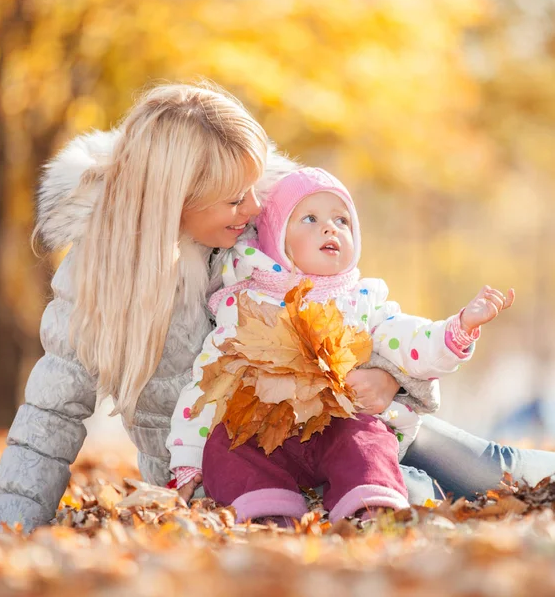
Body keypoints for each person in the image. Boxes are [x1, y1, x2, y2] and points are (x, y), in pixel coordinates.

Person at [0, 82, 555, 533]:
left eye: (255, 190)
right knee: (420, 492)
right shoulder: (99, 280)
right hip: (232, 466)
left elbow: (357, 312)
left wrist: (390, 374)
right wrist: (12, 520)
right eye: (235, 197)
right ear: (176, 199)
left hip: (341, 420)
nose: (252, 206)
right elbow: (50, 416)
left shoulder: (261, 232)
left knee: (489, 465)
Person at [166, 167, 514, 523]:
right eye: (311, 218)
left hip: (339, 423)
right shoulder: (244, 306)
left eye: (342, 220)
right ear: (276, 238)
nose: (330, 228)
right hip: (266, 430)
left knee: (366, 439)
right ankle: (266, 511)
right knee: (228, 444)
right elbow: (206, 386)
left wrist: (459, 328)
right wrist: (187, 461)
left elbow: (409, 340)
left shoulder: (362, 300)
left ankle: (369, 506)